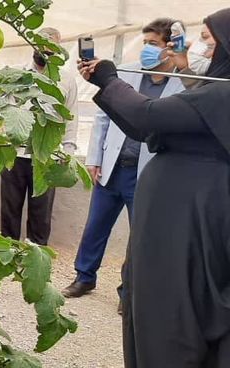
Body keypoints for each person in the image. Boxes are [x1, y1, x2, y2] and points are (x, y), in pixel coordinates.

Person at [78, 8, 230, 367]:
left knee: (171, 305)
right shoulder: (216, 93)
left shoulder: (222, 97)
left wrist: (109, 78)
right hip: (188, 212)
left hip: (187, 220)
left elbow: (146, 117)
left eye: (209, 40)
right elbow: (148, 121)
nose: (199, 47)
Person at [63, 19, 185, 303]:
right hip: (113, 166)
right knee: (95, 226)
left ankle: (127, 291)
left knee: (139, 237)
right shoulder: (126, 73)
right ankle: (84, 277)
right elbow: (104, 119)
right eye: (144, 43)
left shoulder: (183, 83)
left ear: (169, 47)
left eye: (153, 44)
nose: (146, 50)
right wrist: (95, 158)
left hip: (147, 173)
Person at [0, 27, 78, 247]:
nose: (45, 49)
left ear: (59, 48)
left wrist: (68, 150)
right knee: (10, 208)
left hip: (46, 156)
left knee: (41, 212)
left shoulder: (66, 80)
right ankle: (9, 252)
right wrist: (0, 130)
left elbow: (71, 117)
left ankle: (36, 252)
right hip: (14, 153)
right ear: (33, 44)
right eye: (41, 43)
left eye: (51, 46)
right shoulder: (16, 74)